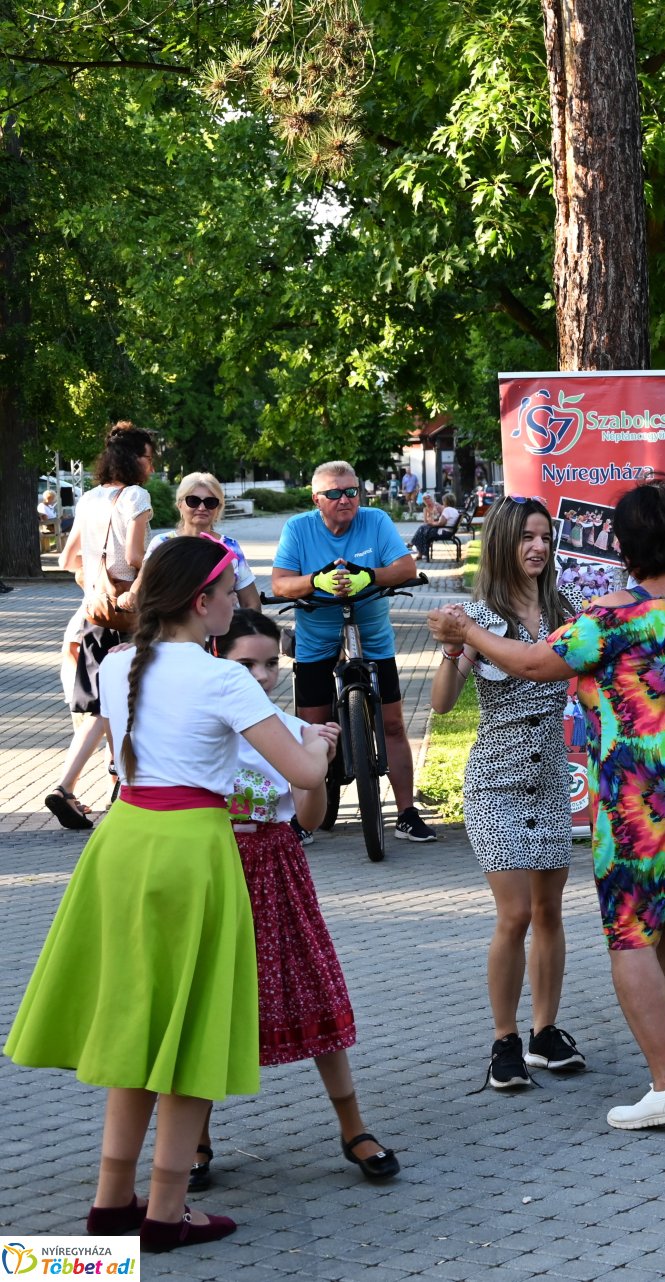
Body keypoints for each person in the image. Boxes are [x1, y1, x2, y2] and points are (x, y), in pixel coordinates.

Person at [5, 536, 333, 1252]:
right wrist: (323, 745)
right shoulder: (223, 679)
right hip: (191, 849)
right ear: (201, 602)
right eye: (228, 592)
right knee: (190, 1034)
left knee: (137, 1024)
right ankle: (165, 1212)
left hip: (124, 841)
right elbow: (302, 775)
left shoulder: (121, 664)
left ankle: (110, 1202)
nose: (237, 602)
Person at [429, 475, 665, 1130]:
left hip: (640, 806)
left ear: (631, 547)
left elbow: (534, 663)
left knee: (631, 934)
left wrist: (464, 631)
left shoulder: (611, 617)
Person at [198, 609, 397, 1189]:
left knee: (312, 991)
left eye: (270, 664)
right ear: (216, 658)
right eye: (245, 663)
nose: (260, 676)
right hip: (212, 869)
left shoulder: (284, 727)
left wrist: (320, 765)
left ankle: (353, 1127)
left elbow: (307, 820)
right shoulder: (202, 724)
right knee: (209, 1003)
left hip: (275, 870)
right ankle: (196, 1139)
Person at [428, 496, 587, 1090]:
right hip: (496, 779)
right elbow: (442, 702)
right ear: (502, 542)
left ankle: (546, 1032)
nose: (539, 547)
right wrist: (451, 650)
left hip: (551, 778)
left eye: (545, 536)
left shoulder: (565, 611)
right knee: (515, 913)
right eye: (526, 537)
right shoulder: (476, 616)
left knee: (549, 910)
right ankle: (504, 1041)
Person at [272, 461, 437, 843]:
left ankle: (406, 813)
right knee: (311, 730)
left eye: (352, 491)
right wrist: (316, 581)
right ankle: (303, 819)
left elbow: (406, 566)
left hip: (373, 636)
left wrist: (368, 576)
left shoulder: (376, 520)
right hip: (316, 638)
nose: (345, 499)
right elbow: (280, 584)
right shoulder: (298, 528)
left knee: (394, 724)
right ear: (316, 499)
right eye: (334, 493)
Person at [45, 424, 155, 831]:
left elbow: (66, 559)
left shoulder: (89, 498)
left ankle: (78, 786)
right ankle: (97, 786)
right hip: (130, 613)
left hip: (95, 613)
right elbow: (135, 555)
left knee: (100, 705)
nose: (150, 464)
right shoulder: (137, 496)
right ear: (132, 459)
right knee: (124, 705)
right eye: (147, 456)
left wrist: (94, 581)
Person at [153, 473, 262, 610]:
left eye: (210, 502)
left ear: (218, 508)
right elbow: (146, 595)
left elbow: (251, 603)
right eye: (193, 501)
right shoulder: (161, 544)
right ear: (180, 504)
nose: (202, 508)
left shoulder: (230, 547)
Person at [411, 492, 459, 560]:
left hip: (444, 532)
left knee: (423, 530)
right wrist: (432, 523)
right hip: (449, 531)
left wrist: (432, 523)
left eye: (444, 501)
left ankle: (417, 547)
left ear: (446, 502)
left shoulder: (447, 510)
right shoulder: (454, 510)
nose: (443, 503)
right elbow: (442, 523)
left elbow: (441, 524)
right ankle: (420, 551)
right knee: (423, 529)